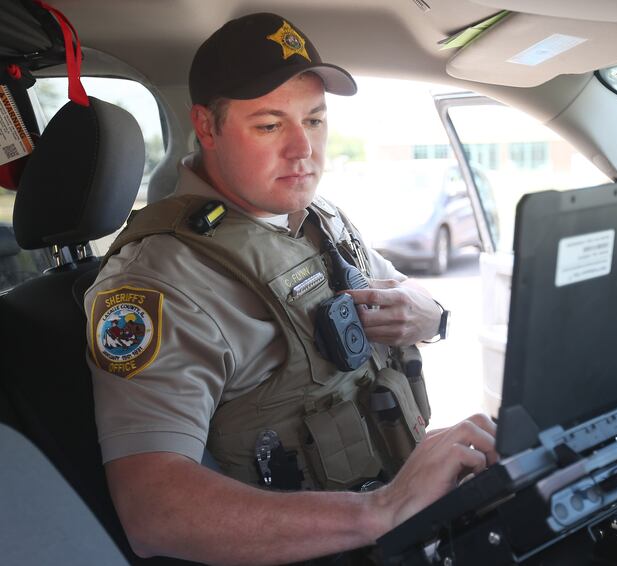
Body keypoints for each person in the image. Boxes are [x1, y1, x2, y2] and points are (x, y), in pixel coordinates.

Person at [84, 12, 498, 565]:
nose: (303, 149)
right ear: (206, 128)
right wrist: (382, 511)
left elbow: (404, 296)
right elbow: (153, 510)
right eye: (270, 125)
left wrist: (433, 319)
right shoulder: (156, 283)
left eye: (315, 120)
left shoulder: (317, 216)